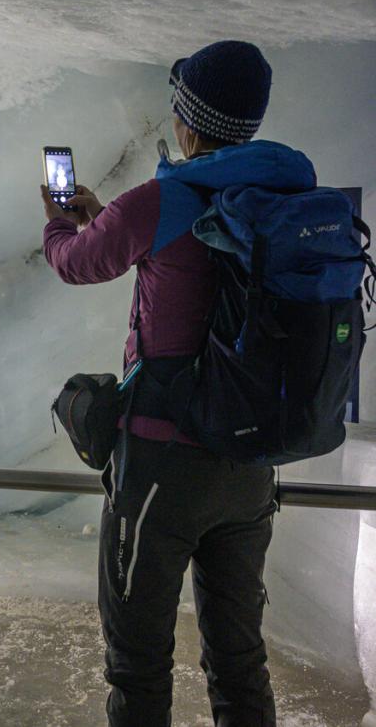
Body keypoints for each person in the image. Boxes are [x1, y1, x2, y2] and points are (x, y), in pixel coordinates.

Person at [39, 40, 319, 727]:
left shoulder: (164, 199)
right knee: (239, 660)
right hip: (251, 465)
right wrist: (117, 215)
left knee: (138, 667)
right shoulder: (285, 198)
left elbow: (77, 262)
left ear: (187, 121)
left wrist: (58, 216)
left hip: (164, 468)